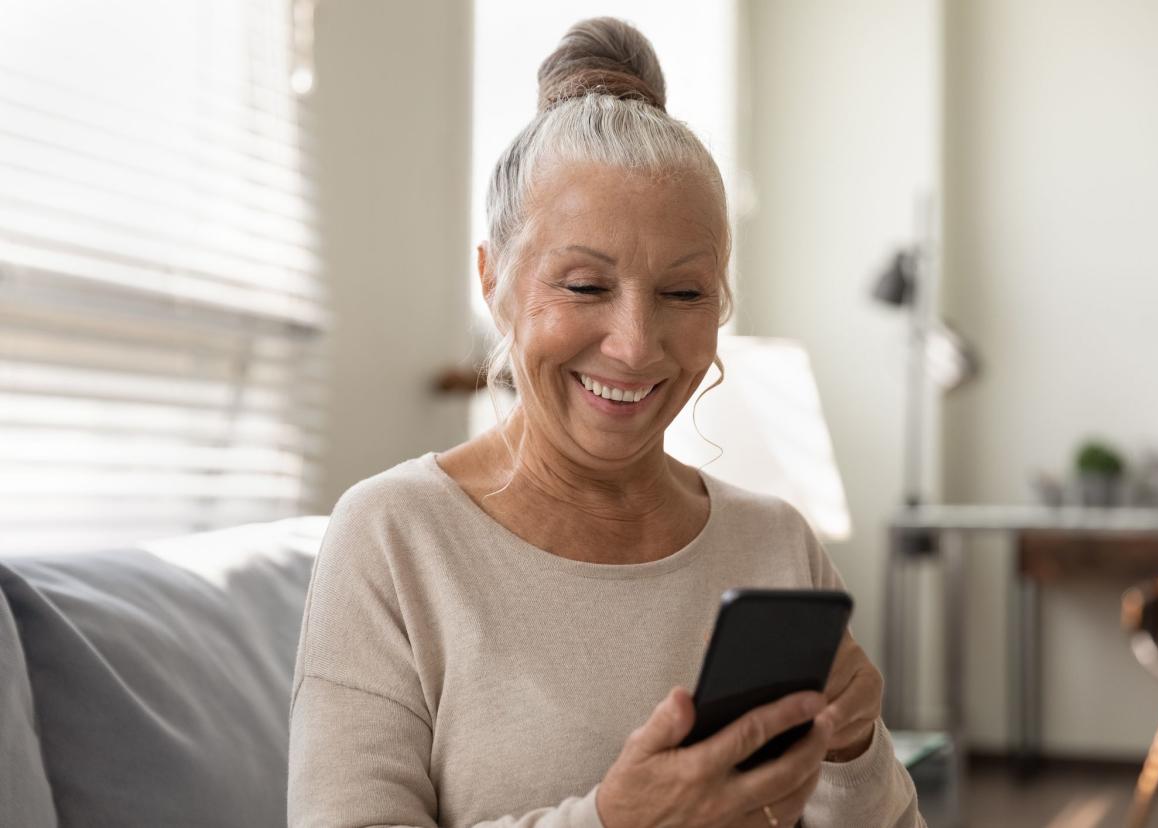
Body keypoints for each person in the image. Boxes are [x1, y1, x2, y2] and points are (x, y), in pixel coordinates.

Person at [288, 17, 923, 828]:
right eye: (585, 286)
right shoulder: (393, 538)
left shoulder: (776, 546)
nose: (634, 345)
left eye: (684, 293)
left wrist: (852, 753)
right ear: (495, 283)